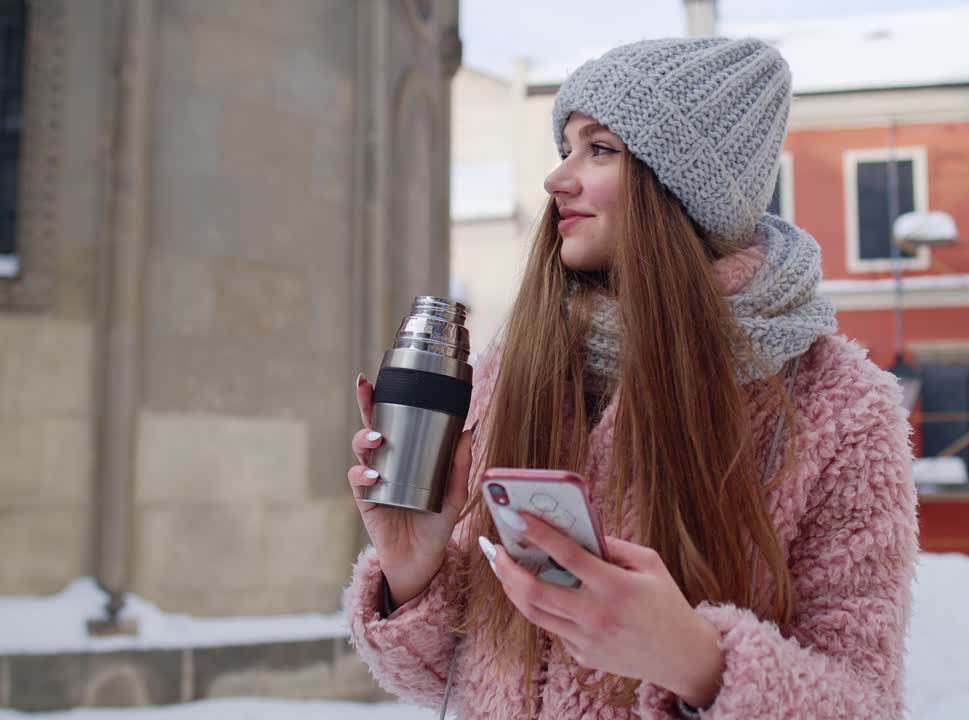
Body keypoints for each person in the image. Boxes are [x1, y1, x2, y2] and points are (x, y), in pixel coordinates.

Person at [342, 37, 918, 720]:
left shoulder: (837, 407)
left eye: (600, 148)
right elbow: (454, 673)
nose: (558, 179)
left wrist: (696, 660)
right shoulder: (523, 361)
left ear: (682, 185)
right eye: (565, 150)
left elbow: (863, 702)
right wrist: (414, 571)